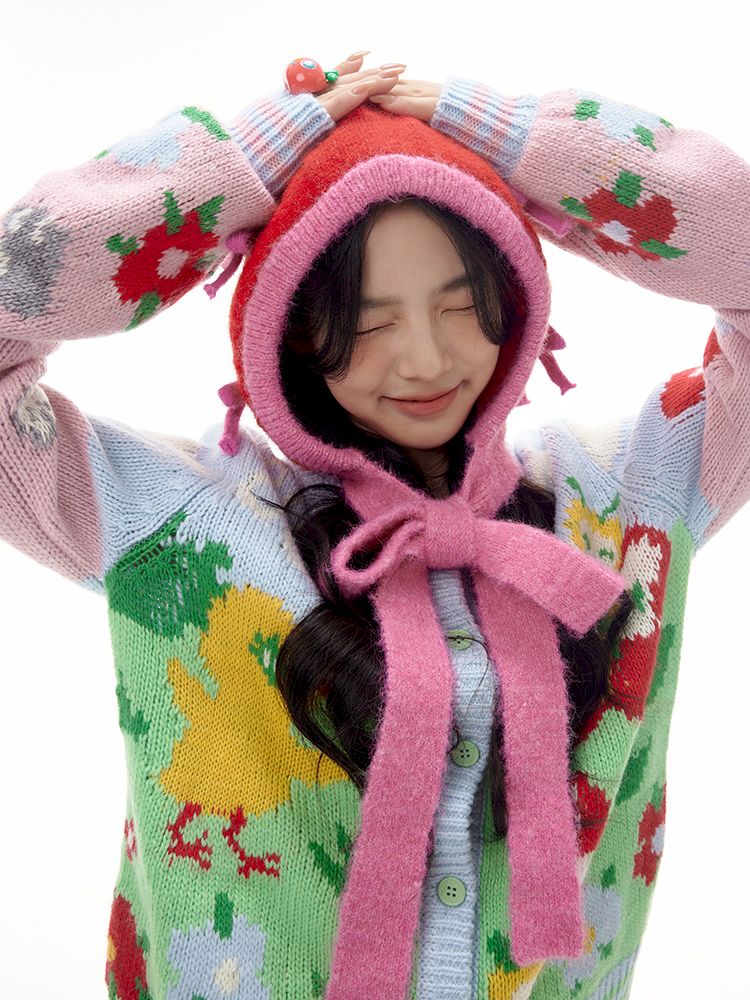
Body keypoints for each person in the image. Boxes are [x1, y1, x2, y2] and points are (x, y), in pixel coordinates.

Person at [1, 49, 747, 1000]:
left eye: (461, 303)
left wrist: (524, 142)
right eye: (370, 319)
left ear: (516, 300)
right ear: (293, 328)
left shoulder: (625, 495)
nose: (426, 358)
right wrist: (228, 173)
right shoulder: (178, 522)